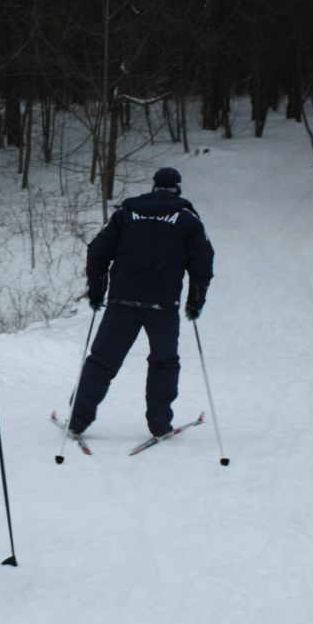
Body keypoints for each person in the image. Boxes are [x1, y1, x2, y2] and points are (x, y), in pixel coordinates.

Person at [67, 167, 214, 439]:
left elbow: (97, 251)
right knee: (164, 362)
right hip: (163, 305)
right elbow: (202, 263)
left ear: (154, 186)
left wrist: (97, 289)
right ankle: (160, 426)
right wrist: (195, 301)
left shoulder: (126, 214)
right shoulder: (187, 219)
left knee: (102, 361)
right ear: (177, 188)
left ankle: (76, 421)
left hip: (122, 300)